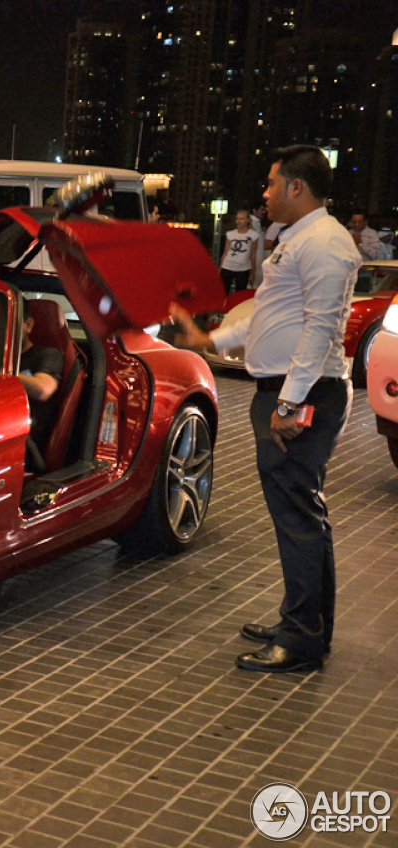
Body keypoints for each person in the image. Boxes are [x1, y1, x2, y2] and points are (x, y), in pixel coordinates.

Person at [171, 144, 359, 674]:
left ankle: (300, 638)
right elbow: (268, 317)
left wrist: (289, 401)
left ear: (298, 187)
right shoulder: (297, 240)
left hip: (304, 394)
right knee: (304, 516)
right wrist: (212, 339)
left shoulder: (324, 243)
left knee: (298, 519)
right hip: (290, 391)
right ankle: (306, 624)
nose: (266, 192)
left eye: (273, 183)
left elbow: (320, 329)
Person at [18, 298, 62, 472]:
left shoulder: (47, 354)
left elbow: (43, 389)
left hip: (27, 443)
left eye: (5, 324)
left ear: (28, 325)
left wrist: (2, 374)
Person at [220, 209, 259, 294]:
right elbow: (226, 252)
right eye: (237, 219)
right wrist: (220, 267)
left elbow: (253, 254)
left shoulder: (253, 235)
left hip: (243, 268)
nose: (239, 221)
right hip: (228, 266)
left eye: (242, 219)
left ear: (247, 220)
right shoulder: (230, 234)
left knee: (240, 293)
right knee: (223, 291)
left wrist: (252, 272)